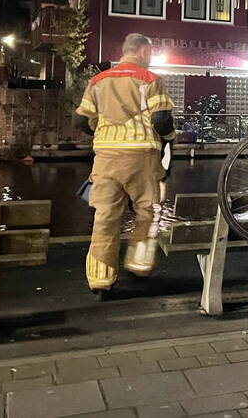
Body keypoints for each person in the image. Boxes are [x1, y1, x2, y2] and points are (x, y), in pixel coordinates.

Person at [74, 33, 175, 297]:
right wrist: (170, 138)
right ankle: (138, 264)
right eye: (150, 54)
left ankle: (100, 280)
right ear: (142, 52)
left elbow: (82, 121)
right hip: (142, 157)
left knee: (105, 218)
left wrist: (104, 134)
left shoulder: (97, 81)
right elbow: (162, 120)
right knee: (148, 212)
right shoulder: (150, 79)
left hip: (106, 159)